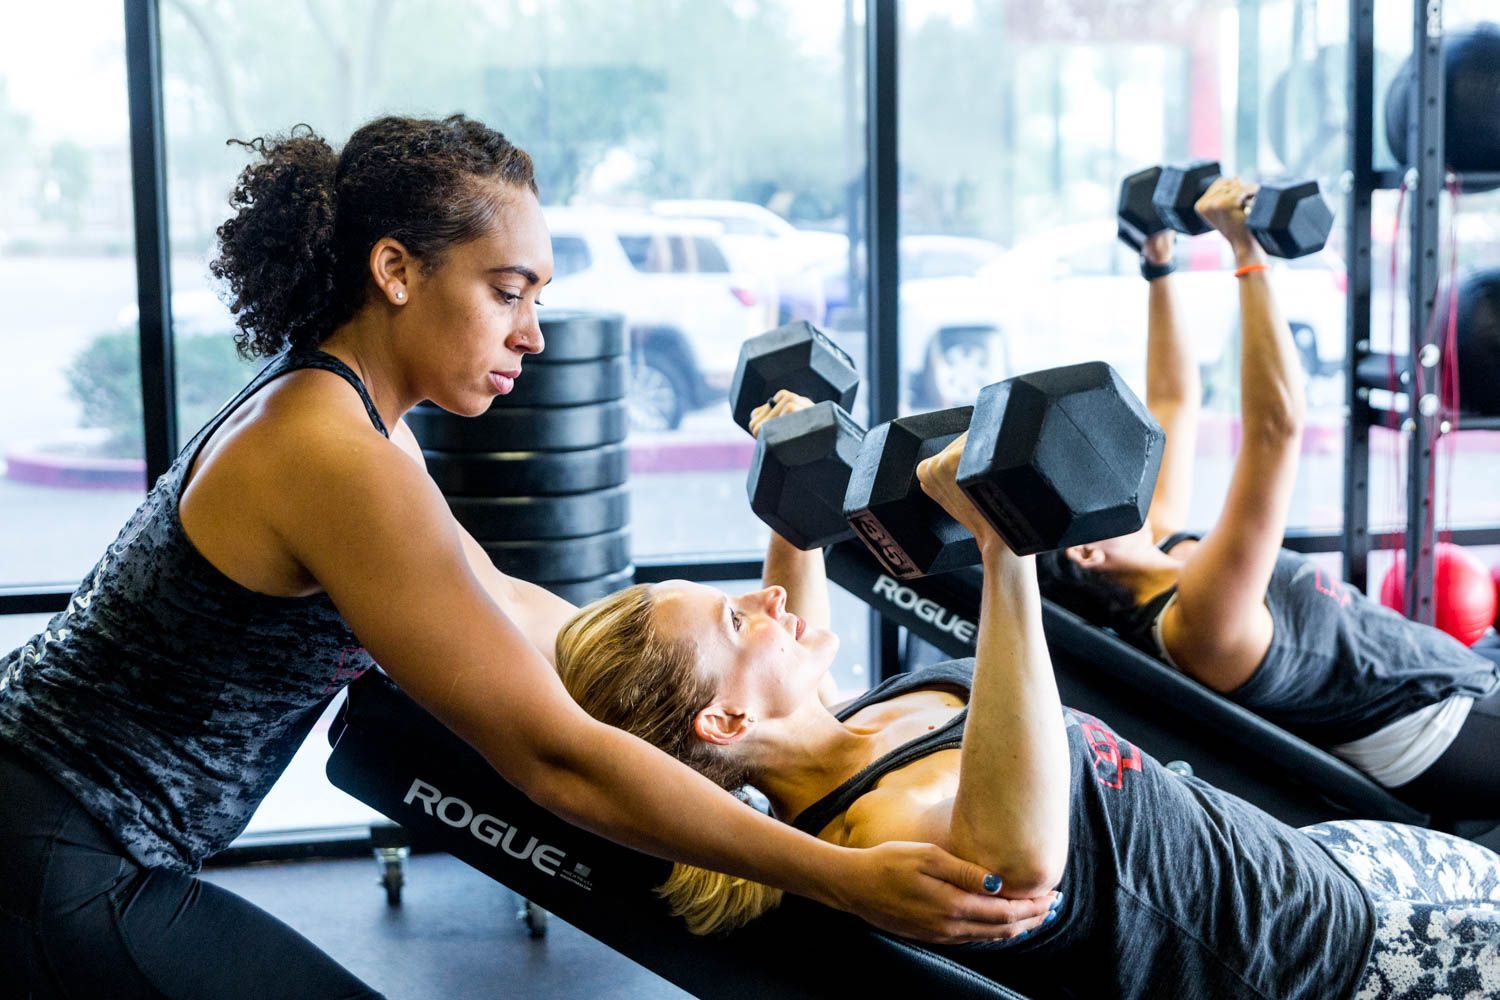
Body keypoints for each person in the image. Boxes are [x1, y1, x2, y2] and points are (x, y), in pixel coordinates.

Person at [0, 115, 1047, 1000]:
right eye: (508, 291)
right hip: (57, 853)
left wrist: (685, 668)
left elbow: (499, 602)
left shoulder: (351, 417)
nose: (534, 333)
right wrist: (838, 875)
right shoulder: (328, 452)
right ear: (395, 270)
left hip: (67, 839)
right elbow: (551, 758)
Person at [555, 408, 1500, 999]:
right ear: (722, 725)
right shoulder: (891, 829)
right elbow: (1019, 861)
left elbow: (786, 613)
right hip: (1341, 966)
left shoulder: (852, 737)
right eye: (733, 619)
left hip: (1335, 864)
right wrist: (1006, 547)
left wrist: (797, 489)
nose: (766, 603)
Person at [1033, 177, 1500, 817]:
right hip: (1449, 729)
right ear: (1089, 553)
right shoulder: (1201, 623)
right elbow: (1277, 429)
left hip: (1458, 669)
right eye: (1092, 496)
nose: (1114, 483)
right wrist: (1247, 255)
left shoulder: (1156, 540)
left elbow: (1174, 399)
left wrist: (1157, 263)